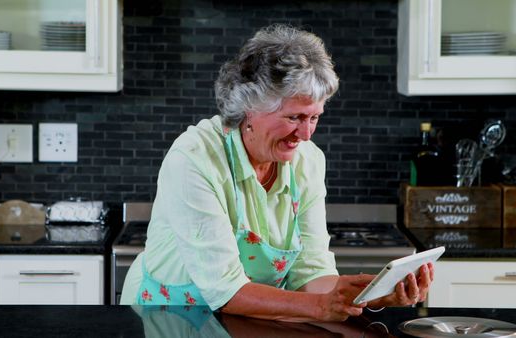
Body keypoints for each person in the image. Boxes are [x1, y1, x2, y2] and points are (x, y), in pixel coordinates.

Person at [121, 23, 434, 322]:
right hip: (169, 318)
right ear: (249, 109)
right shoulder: (194, 159)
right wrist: (322, 307)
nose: (306, 134)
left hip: (251, 320)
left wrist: (374, 296)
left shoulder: (307, 161)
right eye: (294, 117)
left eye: (314, 118)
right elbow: (226, 290)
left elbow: (311, 272)